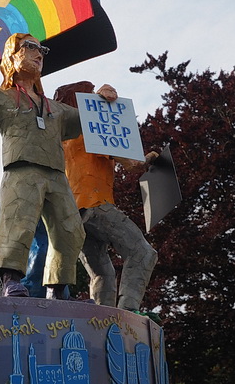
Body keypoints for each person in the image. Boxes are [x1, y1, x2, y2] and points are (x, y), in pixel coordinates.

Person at [0, 20, 117, 299]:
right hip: (21, 170)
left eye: (41, 50)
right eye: (30, 47)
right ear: (12, 57)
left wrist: (104, 97)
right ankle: (10, 280)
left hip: (55, 175)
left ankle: (57, 286)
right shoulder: (4, 99)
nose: (39, 54)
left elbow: (92, 120)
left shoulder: (57, 109)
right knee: (17, 222)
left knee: (71, 230)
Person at [54, 81, 158, 312]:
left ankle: (101, 321)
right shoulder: (90, 131)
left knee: (102, 272)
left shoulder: (62, 138)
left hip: (73, 212)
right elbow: (131, 163)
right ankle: (128, 311)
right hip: (96, 204)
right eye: (88, 97)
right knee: (142, 252)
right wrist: (150, 159)